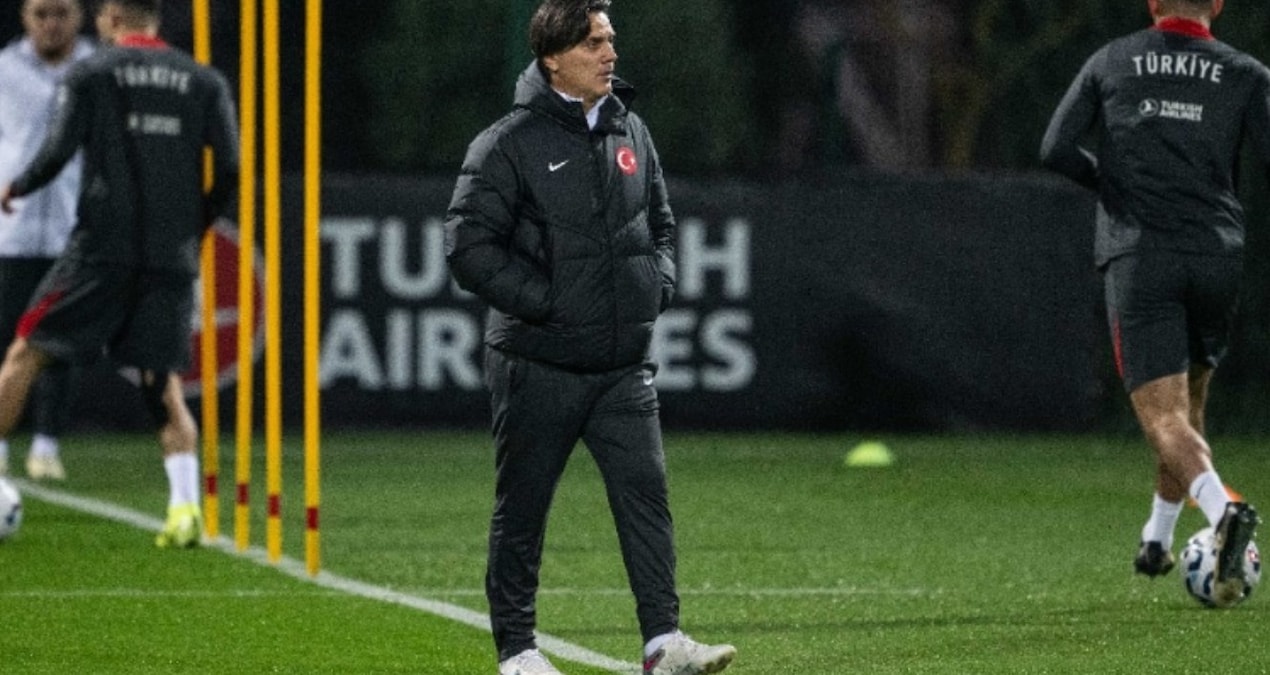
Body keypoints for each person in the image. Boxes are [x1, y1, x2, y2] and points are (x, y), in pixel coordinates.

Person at [445, 1, 736, 673]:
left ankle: (663, 643)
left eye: (610, 39)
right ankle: (518, 653)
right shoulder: (507, 143)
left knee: (646, 499)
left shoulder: (630, 127)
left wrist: (656, 285)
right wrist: (548, 304)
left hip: (621, 366)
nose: (610, 53)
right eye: (594, 43)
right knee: (523, 509)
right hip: (537, 361)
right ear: (553, 58)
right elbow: (467, 247)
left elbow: (661, 223)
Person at [1040, 0, 1264, 606]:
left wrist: (1111, 182)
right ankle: (1157, 539)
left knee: (1162, 417)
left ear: (1153, 2)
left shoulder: (1112, 60)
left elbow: (1055, 148)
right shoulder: (1246, 73)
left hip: (1143, 254)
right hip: (1216, 254)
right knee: (1187, 409)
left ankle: (1224, 512)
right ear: (1217, 4)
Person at [0, 0, 239, 548]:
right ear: (156, 19)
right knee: (162, 382)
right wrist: (194, 225)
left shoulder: (91, 71)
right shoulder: (203, 80)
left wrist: (18, 187)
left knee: (26, 352)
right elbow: (229, 168)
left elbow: (57, 151)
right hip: (170, 253)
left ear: (108, 19)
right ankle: (184, 508)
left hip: (100, 248)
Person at [0, 0, 94, 481]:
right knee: (5, 338)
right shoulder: (4, 69)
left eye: (61, 13)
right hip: (9, 232)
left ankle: (46, 444)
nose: (51, 24)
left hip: (72, 228)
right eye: (41, 13)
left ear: (79, 17)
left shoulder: (98, 68)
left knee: (60, 341)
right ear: (24, 17)